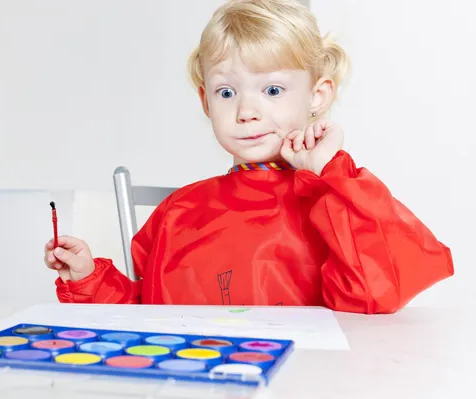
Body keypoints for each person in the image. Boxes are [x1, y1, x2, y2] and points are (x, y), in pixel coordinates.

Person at [44, 0, 453, 314]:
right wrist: (88, 280)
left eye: (272, 90)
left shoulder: (334, 201)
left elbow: (375, 294)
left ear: (318, 95)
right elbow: (143, 316)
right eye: (227, 92)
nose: (246, 111)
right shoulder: (176, 213)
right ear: (206, 101)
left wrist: (331, 172)